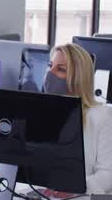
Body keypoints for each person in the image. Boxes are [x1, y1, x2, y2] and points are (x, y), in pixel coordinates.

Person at [43, 43, 112, 195]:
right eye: (50, 65)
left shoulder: (102, 117)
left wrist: (72, 187)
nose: (50, 72)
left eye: (61, 69)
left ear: (78, 77)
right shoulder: (44, 113)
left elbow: (108, 176)